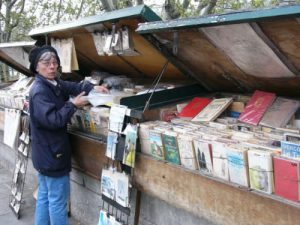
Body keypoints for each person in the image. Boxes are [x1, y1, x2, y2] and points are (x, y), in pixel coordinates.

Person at [28, 45, 109, 225]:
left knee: (44, 196)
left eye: (55, 63)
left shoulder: (53, 83)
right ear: (36, 67)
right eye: (46, 63)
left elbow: (73, 86)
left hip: (45, 153)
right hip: (52, 154)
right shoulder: (40, 91)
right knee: (57, 201)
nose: (52, 67)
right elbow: (54, 120)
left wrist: (93, 88)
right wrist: (74, 105)